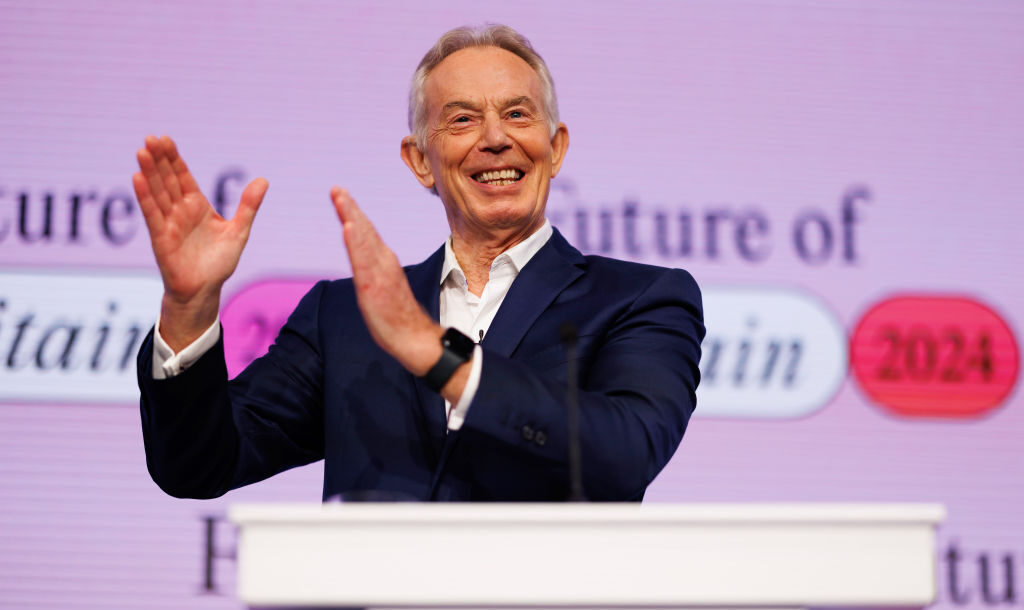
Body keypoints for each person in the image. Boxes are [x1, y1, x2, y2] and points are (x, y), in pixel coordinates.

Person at [133, 24, 704, 502]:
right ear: (420, 161)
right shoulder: (345, 316)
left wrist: (436, 353)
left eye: (517, 114)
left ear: (555, 148)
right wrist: (189, 306)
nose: (496, 139)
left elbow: (627, 451)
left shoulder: (639, 299)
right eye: (461, 120)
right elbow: (198, 465)